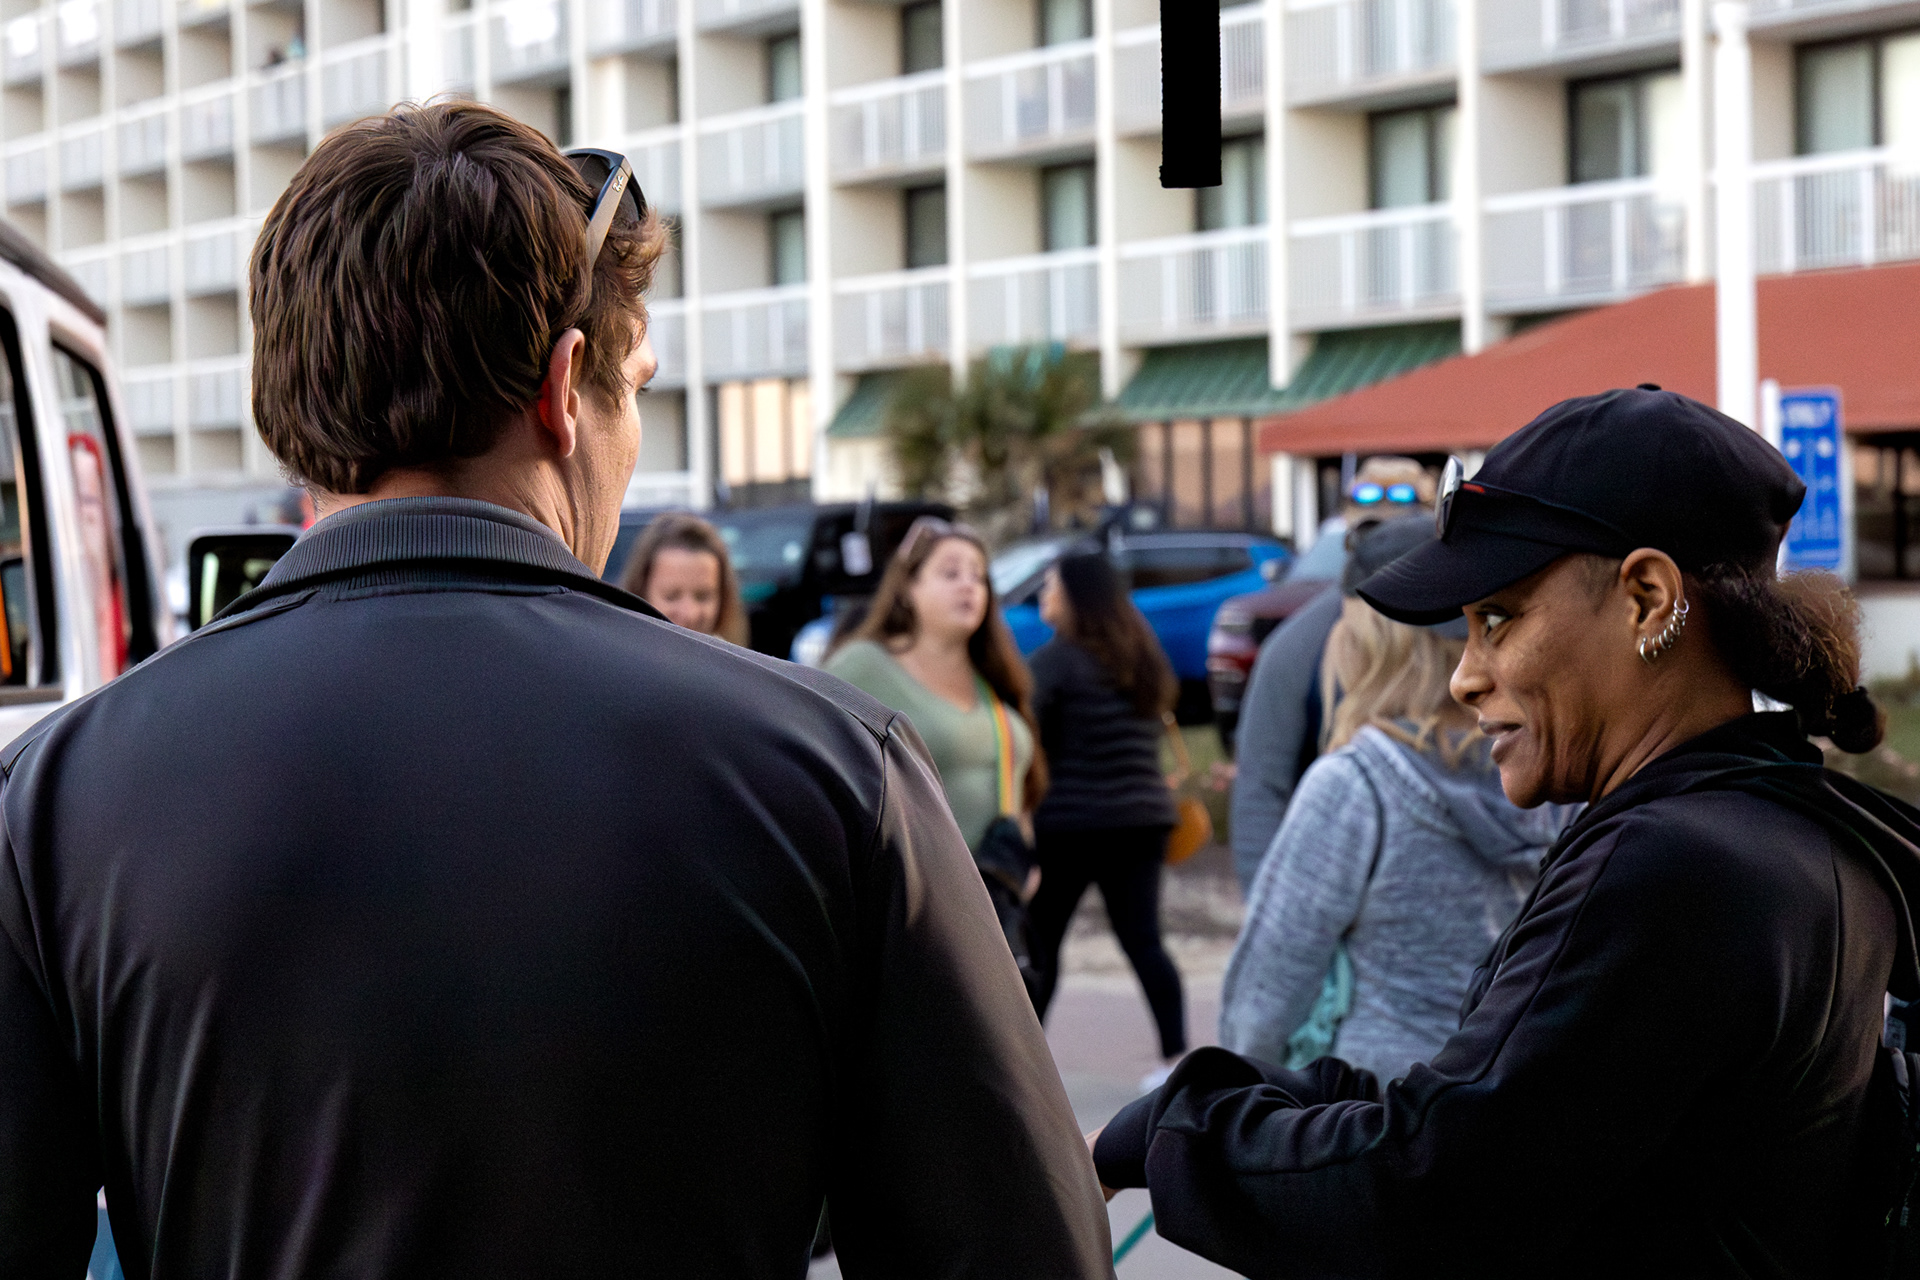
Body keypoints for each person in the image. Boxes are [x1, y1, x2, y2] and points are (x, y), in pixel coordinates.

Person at [0, 103, 1113, 1279]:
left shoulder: (55, 801)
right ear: (566, 386)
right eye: (637, 387)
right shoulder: (834, 770)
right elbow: (1025, 1250)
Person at [1091, 386, 1920, 1278]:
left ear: (1647, 599)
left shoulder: (1672, 866)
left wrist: (1177, 1131)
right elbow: (1506, 1114)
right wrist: (1232, 1102)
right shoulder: (1787, 827)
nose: (1465, 677)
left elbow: (1430, 1190)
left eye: (1498, 620)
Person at [1219, 516, 1570, 1084]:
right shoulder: (1554, 779)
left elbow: (1263, 997)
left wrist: (1226, 1106)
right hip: (1503, 1096)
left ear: (1368, 644)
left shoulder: (1359, 788)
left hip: (1367, 1108)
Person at [1228, 457, 1436, 895]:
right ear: (1349, 538)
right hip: (1337, 895)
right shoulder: (1298, 648)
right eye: (1373, 538)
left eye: (1403, 537)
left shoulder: (1468, 638)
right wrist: (1273, 905)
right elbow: (1261, 787)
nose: (1387, 560)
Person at [1024, 552, 1185, 1082]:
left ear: (1075, 595)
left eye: (1051, 585)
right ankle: (1175, 1061)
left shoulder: (1052, 662)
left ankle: (1021, 1068)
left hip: (1069, 825)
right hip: (1141, 821)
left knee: (1040, 945)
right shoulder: (1142, 658)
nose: (1043, 595)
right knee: (1145, 941)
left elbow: (1028, 743)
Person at [824, 518, 1044, 855]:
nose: (968, 585)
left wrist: (1023, 861)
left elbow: (1021, 784)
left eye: (978, 576)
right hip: (917, 880)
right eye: (951, 573)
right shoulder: (863, 664)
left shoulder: (993, 674)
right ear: (908, 587)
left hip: (999, 880)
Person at [617, 510, 748, 644]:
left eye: (702, 597)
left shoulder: (731, 655)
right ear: (640, 593)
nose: (690, 614)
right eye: (671, 596)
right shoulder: (615, 654)